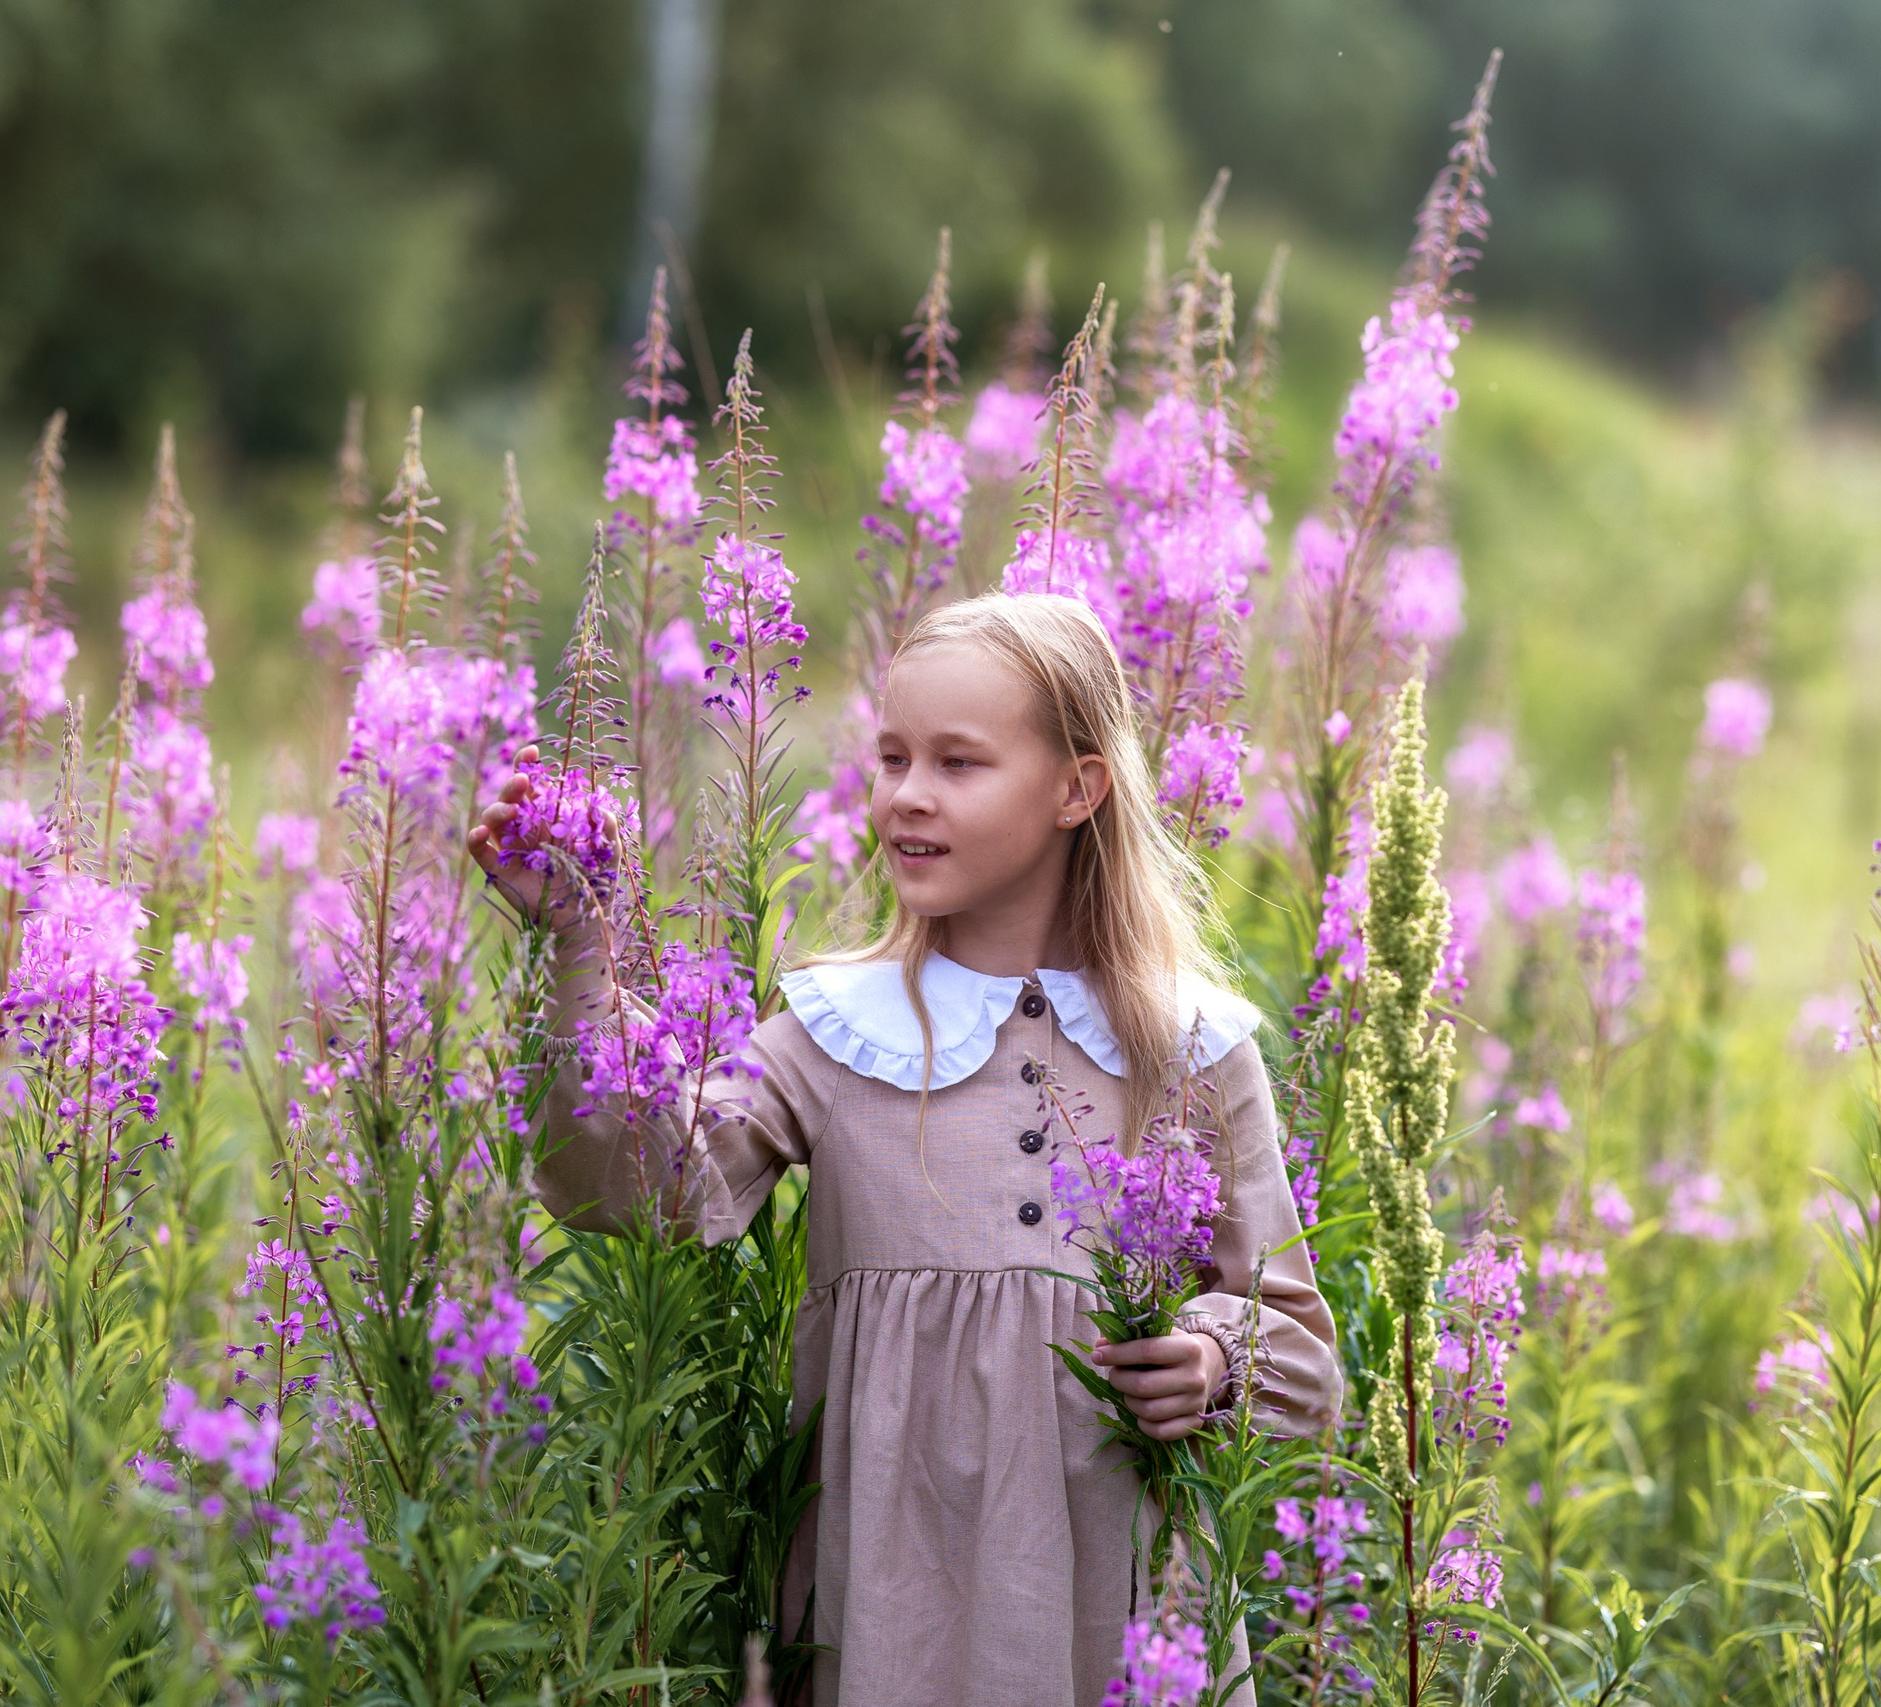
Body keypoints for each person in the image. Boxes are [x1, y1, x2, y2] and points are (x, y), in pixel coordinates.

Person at [468, 592, 1336, 1707]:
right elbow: (644, 1186)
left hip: (1113, 1621)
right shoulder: (838, 1032)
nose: (904, 797)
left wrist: (1214, 1364)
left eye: (957, 763)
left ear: (1077, 788)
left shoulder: (1192, 1050)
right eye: (889, 758)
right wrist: (580, 943)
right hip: (889, 1612)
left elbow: (1302, 1356)